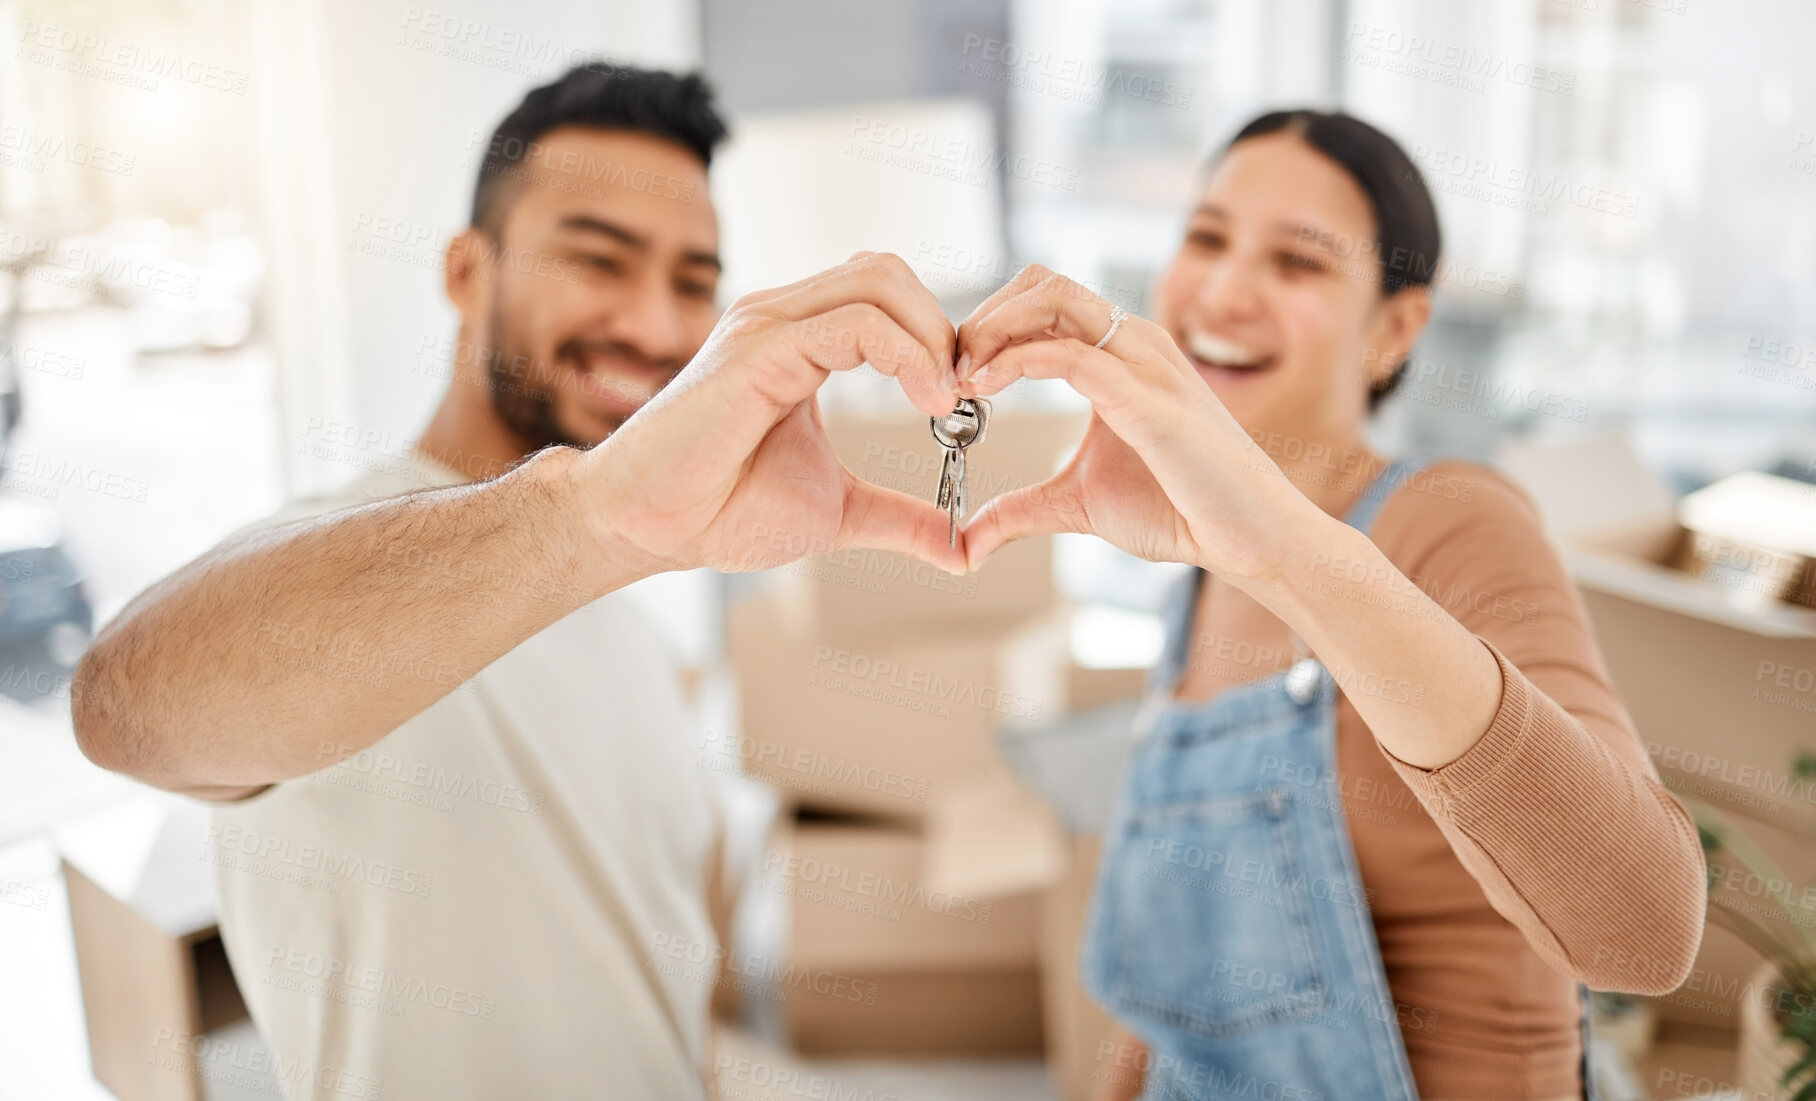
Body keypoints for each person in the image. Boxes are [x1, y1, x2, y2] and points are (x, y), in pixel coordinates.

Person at [71, 63, 966, 1098]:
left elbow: (660, 999)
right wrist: (588, 515)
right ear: (464, 270)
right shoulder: (323, 559)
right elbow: (121, 707)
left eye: (692, 281)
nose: (656, 328)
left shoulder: (640, 643)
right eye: (598, 259)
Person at [951, 110, 1705, 1100]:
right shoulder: (1195, 577)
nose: (1223, 292)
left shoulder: (1451, 520)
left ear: (1393, 330)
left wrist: (1285, 549)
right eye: (1206, 238)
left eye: (1298, 263)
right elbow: (1173, 1008)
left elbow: (1644, 928)